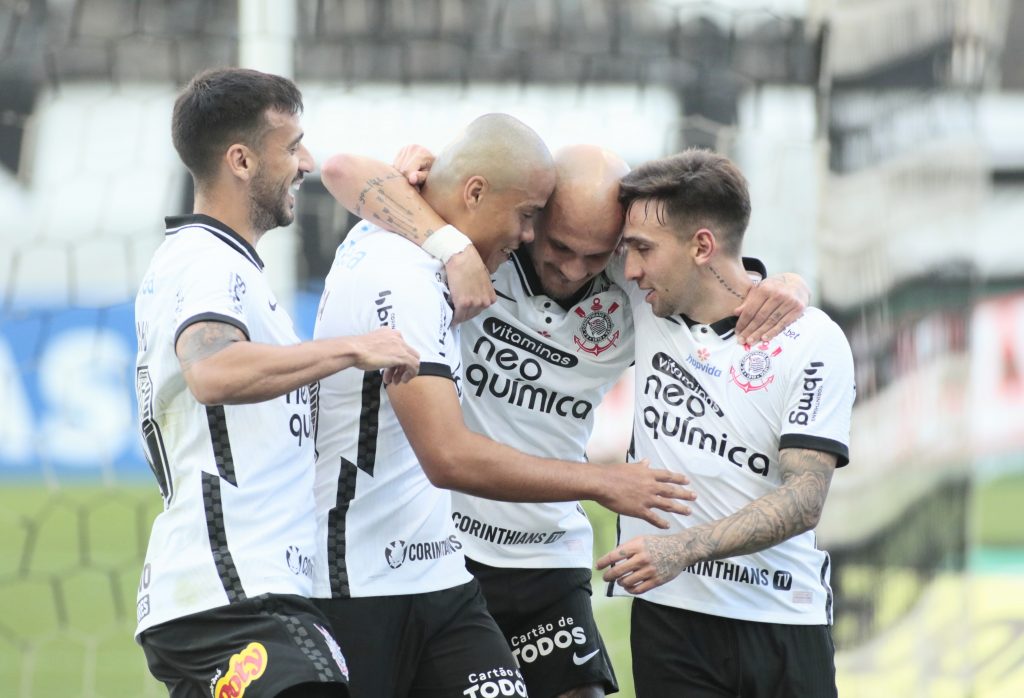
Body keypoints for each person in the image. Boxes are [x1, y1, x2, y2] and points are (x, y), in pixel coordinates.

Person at [324, 139, 809, 698]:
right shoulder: (483, 246)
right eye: (559, 245)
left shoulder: (634, 287)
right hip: (443, 547)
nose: (572, 268)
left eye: (597, 254)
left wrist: (786, 284)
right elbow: (344, 169)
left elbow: (717, 280)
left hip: (546, 554)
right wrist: (452, 247)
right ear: (533, 214)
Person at [132, 67, 421, 698]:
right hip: (234, 593)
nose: (306, 162)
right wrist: (352, 347)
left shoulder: (218, 265)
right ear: (240, 159)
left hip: (229, 592)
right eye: (290, 146)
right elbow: (212, 371)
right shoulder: (207, 262)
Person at [597, 149, 855, 697]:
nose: (630, 269)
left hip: (785, 619)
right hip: (672, 622)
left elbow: (805, 499)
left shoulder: (812, 340)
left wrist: (681, 548)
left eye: (643, 249)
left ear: (702, 246)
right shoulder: (647, 304)